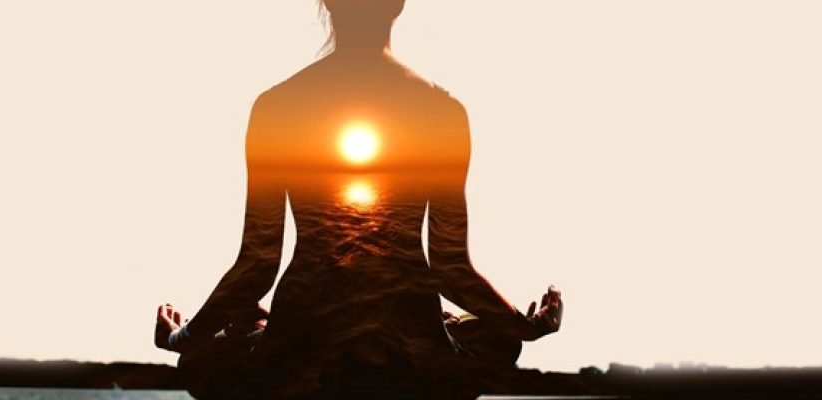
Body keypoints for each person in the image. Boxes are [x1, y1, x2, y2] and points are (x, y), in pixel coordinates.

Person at [154, 1, 563, 399]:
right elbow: (450, 266)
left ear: (329, 3)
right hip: (408, 337)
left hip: (304, 336)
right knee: (491, 338)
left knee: (218, 347)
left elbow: (258, 264)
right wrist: (522, 326)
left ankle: (266, 328)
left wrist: (181, 336)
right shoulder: (441, 111)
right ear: (398, 5)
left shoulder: (278, 108)